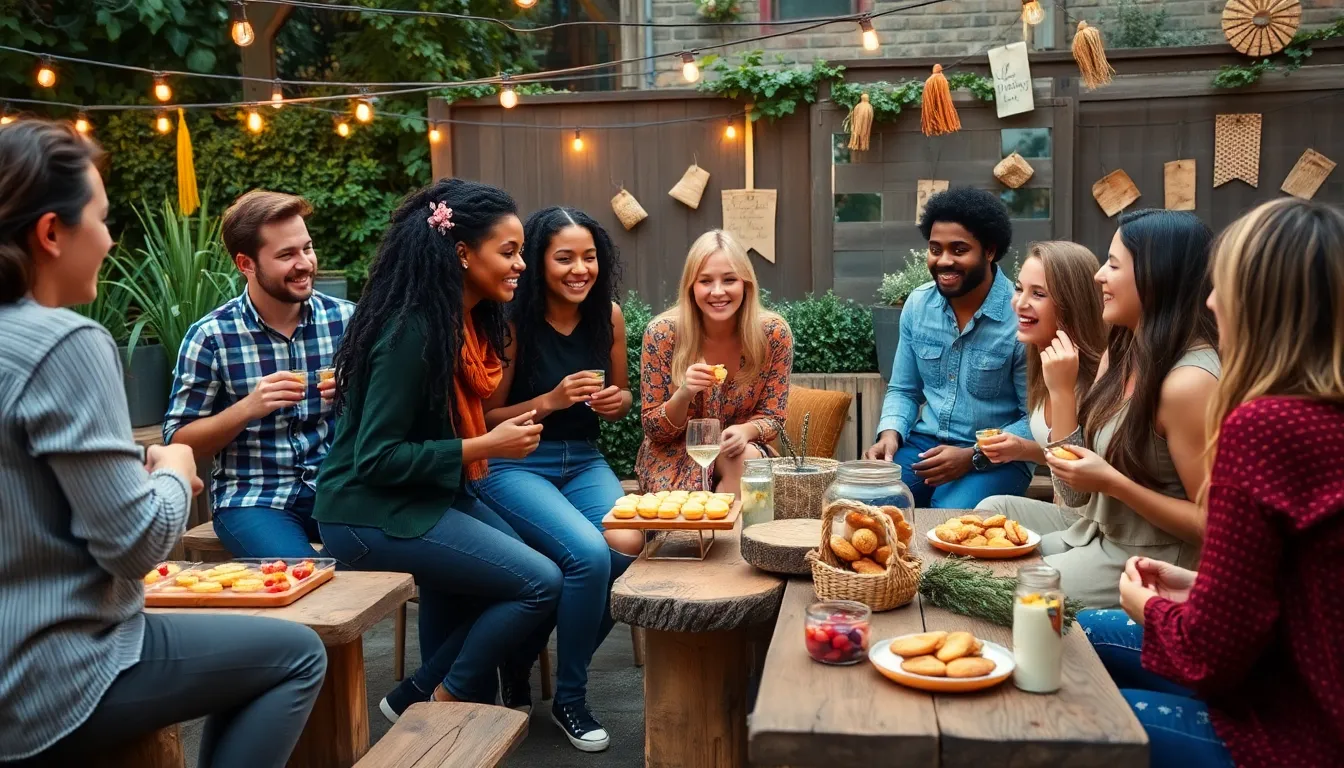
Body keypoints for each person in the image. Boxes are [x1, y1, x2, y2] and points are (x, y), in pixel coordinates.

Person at [0, 119, 326, 767]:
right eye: (101, 217)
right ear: (50, 234)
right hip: (48, 676)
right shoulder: (67, 344)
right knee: (297, 653)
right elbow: (134, 546)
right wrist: (174, 466)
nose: (111, 238)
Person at [1102, 198, 1344, 767]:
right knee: (1086, 632)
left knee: (1074, 719)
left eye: (1223, 287)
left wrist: (1149, 607)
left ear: (1262, 304)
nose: (1209, 301)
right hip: (1300, 678)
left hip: (1300, 730)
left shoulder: (1267, 425)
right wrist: (1203, 588)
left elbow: (1210, 657)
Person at [314, 178, 562, 724]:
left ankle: (414, 696)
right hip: (366, 512)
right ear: (462, 254)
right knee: (538, 582)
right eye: (509, 251)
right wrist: (486, 444)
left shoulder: (464, 325)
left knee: (542, 570)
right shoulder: (413, 332)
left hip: (430, 495)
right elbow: (374, 459)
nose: (522, 264)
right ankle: (440, 705)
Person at [980, 209, 1219, 607]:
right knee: (984, 556)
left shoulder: (1190, 383)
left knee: (1007, 592)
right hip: (1096, 532)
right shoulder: (1122, 350)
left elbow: (1214, 526)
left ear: (1156, 275)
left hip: (1152, 558)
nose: (1099, 276)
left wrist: (1112, 482)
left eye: (1112, 264)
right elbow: (1075, 493)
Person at [473, 207, 643, 751]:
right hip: (517, 461)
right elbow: (484, 421)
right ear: (539, 262)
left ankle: (523, 656)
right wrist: (550, 400)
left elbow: (618, 404)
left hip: (584, 460)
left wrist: (619, 402)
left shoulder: (608, 317)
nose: (579, 269)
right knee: (588, 557)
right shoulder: (512, 322)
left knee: (626, 547)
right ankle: (572, 697)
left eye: (589, 257)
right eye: (564, 257)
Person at [163, 189, 354, 559]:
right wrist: (248, 408)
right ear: (245, 264)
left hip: (337, 489)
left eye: (307, 248)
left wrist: (356, 393)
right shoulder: (211, 336)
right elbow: (179, 442)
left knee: (409, 552)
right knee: (304, 578)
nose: (305, 264)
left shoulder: (348, 320)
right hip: (253, 498)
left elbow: (385, 416)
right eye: (286, 255)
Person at [865, 187, 1032, 508]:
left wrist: (973, 455)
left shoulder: (1020, 315)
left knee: (947, 516)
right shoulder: (917, 305)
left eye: (959, 250)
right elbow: (904, 389)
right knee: (870, 505)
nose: (944, 261)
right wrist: (889, 435)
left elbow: (1033, 418)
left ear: (989, 251)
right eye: (935, 249)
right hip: (926, 445)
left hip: (1000, 458)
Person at [636, 229, 792, 495]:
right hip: (674, 458)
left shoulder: (773, 335)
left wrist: (745, 430)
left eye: (729, 279)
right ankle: (716, 530)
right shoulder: (662, 334)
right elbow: (654, 430)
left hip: (740, 452)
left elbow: (774, 417)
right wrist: (684, 394)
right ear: (691, 287)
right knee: (625, 538)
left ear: (746, 284)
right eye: (705, 281)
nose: (717, 292)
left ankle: (723, 534)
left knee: (744, 459)